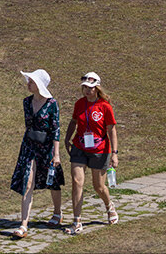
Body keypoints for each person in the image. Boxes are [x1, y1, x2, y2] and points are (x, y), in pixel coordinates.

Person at [9, 69, 63, 238]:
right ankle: (24, 224)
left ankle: (57, 212)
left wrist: (56, 154)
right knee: (27, 181)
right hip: (29, 147)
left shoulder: (51, 103)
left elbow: (56, 130)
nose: (28, 84)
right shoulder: (26, 102)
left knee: (52, 181)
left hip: (47, 147)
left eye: (31, 81)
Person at [63, 72, 119, 234]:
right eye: (85, 88)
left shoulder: (105, 106)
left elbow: (112, 130)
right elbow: (74, 121)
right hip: (79, 147)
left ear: (97, 88)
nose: (87, 91)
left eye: (91, 88)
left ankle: (109, 206)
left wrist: (114, 153)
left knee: (99, 186)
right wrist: (67, 139)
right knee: (76, 181)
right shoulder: (79, 104)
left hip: (100, 150)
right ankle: (76, 221)